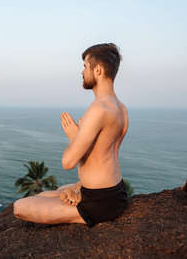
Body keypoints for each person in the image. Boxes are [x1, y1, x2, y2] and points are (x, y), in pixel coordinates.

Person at [13, 43, 129, 227]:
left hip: (99, 204)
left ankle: (80, 207)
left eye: (85, 66)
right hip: (115, 191)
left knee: (19, 207)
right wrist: (80, 187)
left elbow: (68, 162)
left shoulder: (99, 110)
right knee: (46, 194)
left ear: (97, 70)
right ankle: (79, 190)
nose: (82, 72)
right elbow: (100, 155)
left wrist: (73, 136)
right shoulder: (120, 108)